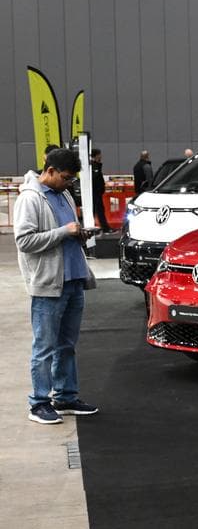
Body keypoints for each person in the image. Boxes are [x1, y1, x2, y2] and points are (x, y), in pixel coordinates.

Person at [13, 148, 99, 425]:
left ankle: (65, 397)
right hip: (49, 285)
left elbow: (67, 232)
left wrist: (80, 234)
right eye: (65, 177)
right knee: (45, 347)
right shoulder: (29, 199)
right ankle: (39, 403)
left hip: (73, 280)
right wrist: (64, 232)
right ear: (49, 171)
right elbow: (24, 242)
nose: (68, 183)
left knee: (66, 345)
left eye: (72, 179)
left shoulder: (64, 194)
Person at [89, 148, 112, 231]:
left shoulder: (96, 165)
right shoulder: (94, 166)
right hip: (95, 192)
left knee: (98, 210)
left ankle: (104, 227)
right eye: (99, 154)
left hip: (97, 192)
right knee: (98, 210)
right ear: (96, 155)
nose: (101, 156)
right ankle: (104, 228)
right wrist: (100, 188)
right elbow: (96, 178)